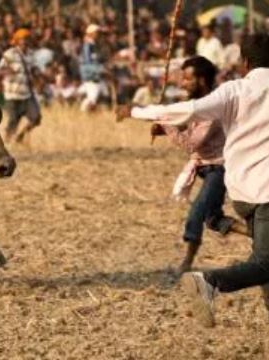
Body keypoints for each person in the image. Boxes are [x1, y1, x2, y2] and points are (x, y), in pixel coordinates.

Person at [119, 34, 269, 327]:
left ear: (245, 64)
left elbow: (187, 110)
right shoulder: (236, 89)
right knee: (266, 263)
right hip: (266, 193)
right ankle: (209, 282)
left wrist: (136, 111)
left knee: (264, 262)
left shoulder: (235, 90)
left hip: (242, 192)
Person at [143, 57, 247, 275]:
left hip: (219, 167)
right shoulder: (196, 104)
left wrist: (165, 124)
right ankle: (260, 235)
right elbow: (183, 126)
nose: (182, 84)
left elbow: (191, 142)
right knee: (213, 219)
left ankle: (187, 262)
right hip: (204, 166)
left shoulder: (214, 105)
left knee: (196, 212)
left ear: (201, 80)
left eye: (188, 79)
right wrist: (161, 127)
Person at [0, 28, 41, 144]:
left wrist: (39, 75)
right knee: (13, 121)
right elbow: (0, 71)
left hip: (27, 93)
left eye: (27, 39)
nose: (25, 42)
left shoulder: (31, 54)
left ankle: (20, 136)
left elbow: (35, 69)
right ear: (17, 41)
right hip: (12, 94)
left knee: (36, 118)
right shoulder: (9, 54)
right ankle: (7, 143)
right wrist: (8, 71)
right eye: (22, 39)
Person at [78, 24, 108, 112]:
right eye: (97, 33)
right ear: (91, 34)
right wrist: (101, 70)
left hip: (95, 76)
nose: (99, 35)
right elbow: (88, 63)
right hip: (91, 76)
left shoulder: (93, 46)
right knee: (92, 99)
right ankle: (83, 112)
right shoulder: (88, 46)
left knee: (103, 94)